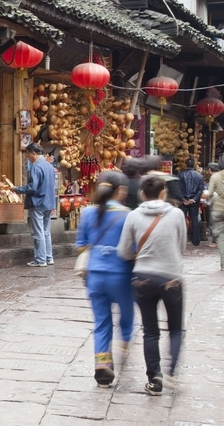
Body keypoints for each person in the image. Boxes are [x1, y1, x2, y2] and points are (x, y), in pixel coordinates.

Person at [117, 176, 187, 396]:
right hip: (171, 277)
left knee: (150, 331)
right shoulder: (177, 214)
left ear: (142, 194)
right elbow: (181, 246)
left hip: (143, 278)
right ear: (163, 193)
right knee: (175, 329)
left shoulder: (133, 216)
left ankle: (154, 379)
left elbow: (123, 251)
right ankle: (171, 372)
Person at [75, 170, 133, 387]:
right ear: (121, 191)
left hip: (95, 275)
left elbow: (81, 246)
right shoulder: (128, 215)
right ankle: (122, 346)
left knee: (101, 322)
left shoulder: (87, 212)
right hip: (121, 274)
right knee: (127, 317)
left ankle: (102, 366)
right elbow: (134, 248)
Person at [15, 143, 57, 267]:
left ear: (33, 153)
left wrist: (17, 189)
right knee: (46, 231)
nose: (27, 157)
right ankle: (49, 257)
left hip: (38, 202)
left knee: (38, 232)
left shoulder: (36, 167)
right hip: (48, 202)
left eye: (28, 154)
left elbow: (32, 187)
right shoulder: (49, 166)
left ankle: (40, 259)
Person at [178, 158, 205, 246]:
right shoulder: (199, 176)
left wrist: (183, 199)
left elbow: (179, 189)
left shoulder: (180, 175)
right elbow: (200, 189)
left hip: (183, 201)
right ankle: (195, 240)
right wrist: (194, 199)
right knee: (195, 220)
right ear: (194, 165)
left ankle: (181, 240)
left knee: (181, 220)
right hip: (194, 201)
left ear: (185, 165)